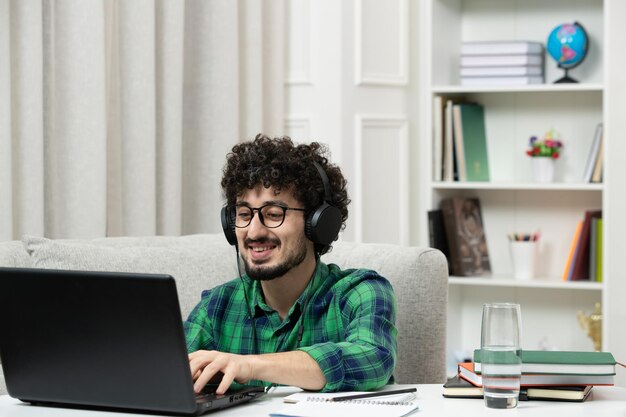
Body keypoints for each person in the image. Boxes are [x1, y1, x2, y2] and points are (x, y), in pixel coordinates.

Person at [184, 134, 397, 395]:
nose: (253, 232)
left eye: (273, 214)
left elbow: (374, 359)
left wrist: (249, 366)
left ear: (318, 224)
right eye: (243, 214)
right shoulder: (217, 305)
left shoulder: (360, 292)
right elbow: (165, 373)